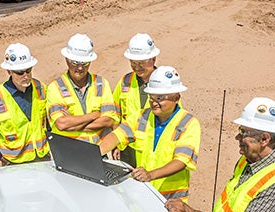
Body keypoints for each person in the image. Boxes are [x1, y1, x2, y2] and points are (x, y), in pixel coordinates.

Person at [99, 66, 200, 202]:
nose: (154, 103)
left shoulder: (188, 123)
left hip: (171, 199)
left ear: (176, 97)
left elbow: (181, 161)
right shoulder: (143, 116)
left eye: (160, 98)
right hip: (145, 192)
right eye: (151, 97)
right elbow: (117, 135)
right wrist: (94, 153)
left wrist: (150, 175)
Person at [0, 43, 50, 165]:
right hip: (14, 163)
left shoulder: (40, 88)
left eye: (28, 70)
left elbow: (48, 122)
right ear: (9, 71)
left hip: (42, 158)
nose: (26, 76)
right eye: (20, 72)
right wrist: (2, 158)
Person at [46, 33, 118, 143]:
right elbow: (61, 124)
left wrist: (73, 123)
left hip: (96, 150)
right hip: (68, 151)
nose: (80, 68)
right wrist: (93, 115)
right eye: (75, 62)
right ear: (67, 59)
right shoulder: (55, 87)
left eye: (84, 63)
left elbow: (109, 121)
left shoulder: (101, 84)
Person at [112, 33, 159, 166]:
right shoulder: (125, 82)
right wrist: (116, 143)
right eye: (133, 63)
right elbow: (115, 113)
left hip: (152, 149)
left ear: (153, 59)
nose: (137, 67)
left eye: (141, 63)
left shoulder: (164, 82)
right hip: (128, 148)